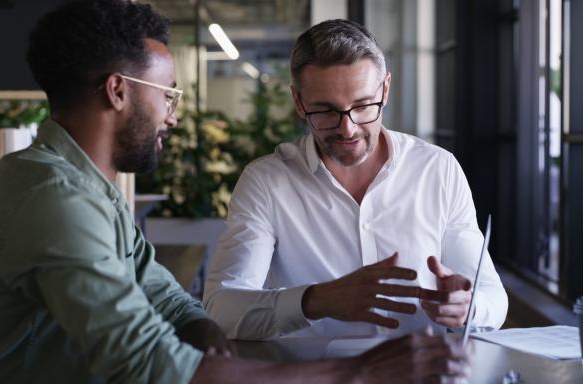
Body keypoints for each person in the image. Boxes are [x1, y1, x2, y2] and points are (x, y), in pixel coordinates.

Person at [0, 1, 470, 383]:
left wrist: (204, 334)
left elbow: (167, 297)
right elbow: (149, 364)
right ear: (117, 91)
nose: (173, 114)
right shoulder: (51, 196)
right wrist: (357, 372)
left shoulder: (89, 188)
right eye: (168, 93)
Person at [203, 19, 508, 340]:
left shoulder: (439, 170)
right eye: (325, 111)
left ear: (385, 90)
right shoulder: (266, 182)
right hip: (317, 374)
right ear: (298, 102)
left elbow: (493, 299)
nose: (347, 129)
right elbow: (222, 309)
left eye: (363, 106)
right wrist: (315, 300)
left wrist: (466, 307)